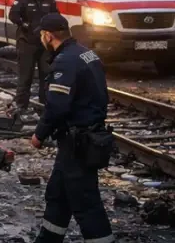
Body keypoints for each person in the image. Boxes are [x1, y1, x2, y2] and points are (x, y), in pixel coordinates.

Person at [30, 13, 113, 243]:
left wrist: (39, 134)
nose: (41, 39)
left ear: (48, 35)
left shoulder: (65, 61)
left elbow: (57, 106)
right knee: (58, 194)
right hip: (83, 138)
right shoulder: (86, 53)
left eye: (41, 35)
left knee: (86, 202)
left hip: (78, 142)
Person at [9, 0, 58, 110]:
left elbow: (56, 16)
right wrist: (24, 24)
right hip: (27, 43)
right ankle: (21, 107)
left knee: (47, 76)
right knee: (26, 77)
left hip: (45, 45)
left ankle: (45, 107)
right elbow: (13, 15)